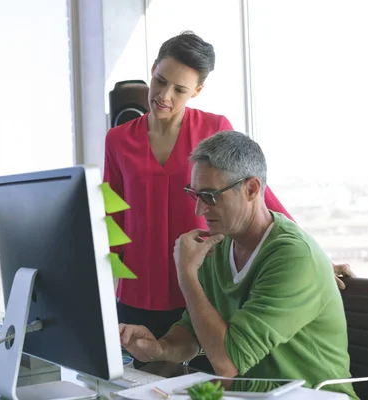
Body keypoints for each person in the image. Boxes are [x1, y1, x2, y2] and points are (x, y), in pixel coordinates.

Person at [103, 31, 350, 339]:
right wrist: (97, 291)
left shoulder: (214, 128)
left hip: (203, 287)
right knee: (137, 384)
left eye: (179, 89)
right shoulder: (117, 139)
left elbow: (260, 199)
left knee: (202, 381)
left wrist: (315, 257)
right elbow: (110, 220)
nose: (164, 96)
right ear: (153, 69)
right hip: (137, 294)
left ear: (197, 90)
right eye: (160, 80)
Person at [119, 131, 358, 399]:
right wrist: (161, 348)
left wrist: (187, 274)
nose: (199, 210)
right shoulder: (219, 246)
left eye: (210, 196)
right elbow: (193, 330)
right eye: (195, 194)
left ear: (251, 189)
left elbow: (227, 363)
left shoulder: (293, 256)